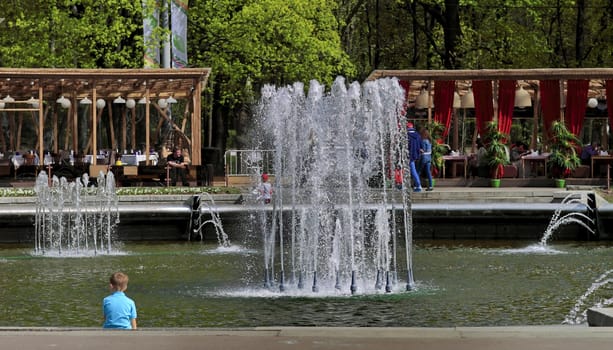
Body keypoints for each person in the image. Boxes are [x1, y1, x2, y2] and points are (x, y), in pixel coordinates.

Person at [407, 122, 422, 192]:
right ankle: (415, 185)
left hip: (409, 155)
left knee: (413, 171)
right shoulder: (418, 135)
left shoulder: (406, 135)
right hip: (416, 155)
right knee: (413, 170)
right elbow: (421, 146)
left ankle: (418, 185)